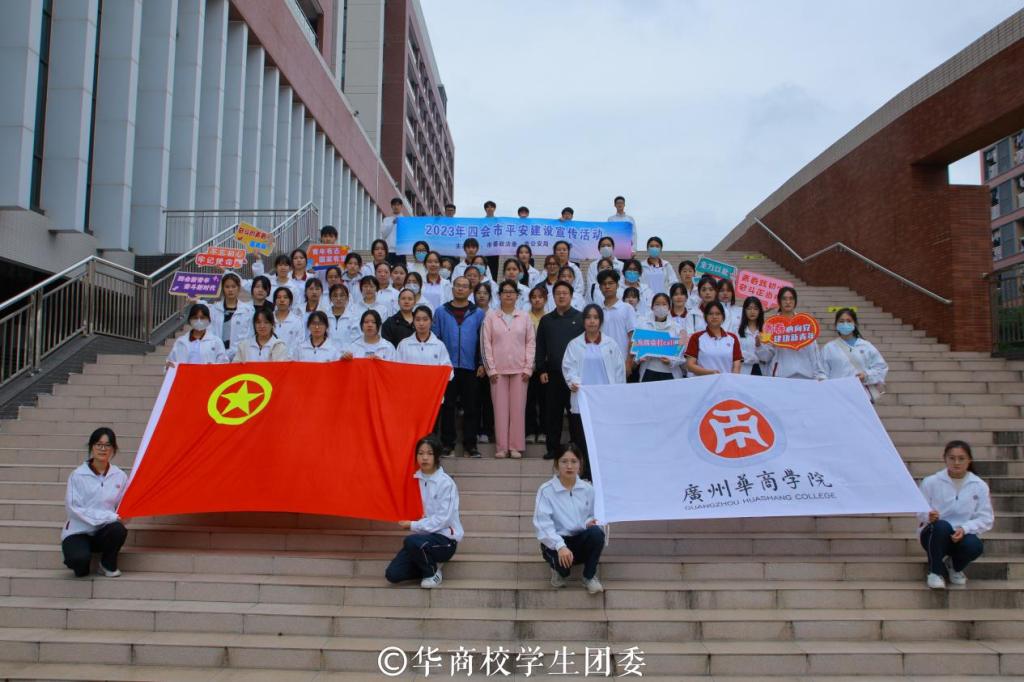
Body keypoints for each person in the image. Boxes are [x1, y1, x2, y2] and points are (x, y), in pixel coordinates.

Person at [385, 436, 463, 589]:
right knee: (393, 574)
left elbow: (443, 520)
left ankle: (432, 572)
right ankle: (428, 563)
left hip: (444, 540)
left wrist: (413, 525)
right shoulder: (413, 480)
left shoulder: (446, 483)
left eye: (429, 453)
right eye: (420, 453)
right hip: (422, 540)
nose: (424, 457)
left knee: (411, 541)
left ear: (437, 456)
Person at [917, 441, 993, 589]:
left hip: (961, 535)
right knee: (941, 526)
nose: (956, 463)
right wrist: (928, 516)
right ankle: (935, 572)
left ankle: (954, 566)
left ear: (969, 460)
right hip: (934, 534)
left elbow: (986, 518)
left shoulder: (979, 485)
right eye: (952, 458)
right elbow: (920, 511)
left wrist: (965, 528)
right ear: (945, 459)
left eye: (961, 458)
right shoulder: (931, 482)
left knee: (975, 546)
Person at [533, 444, 606, 594]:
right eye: (564, 461)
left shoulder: (588, 489)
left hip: (579, 540)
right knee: (564, 570)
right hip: (557, 543)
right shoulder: (546, 490)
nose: (569, 466)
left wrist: (588, 523)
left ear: (580, 464)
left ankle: (589, 577)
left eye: (574, 461)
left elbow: (593, 515)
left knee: (597, 534)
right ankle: (559, 571)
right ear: (556, 464)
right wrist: (560, 546)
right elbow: (542, 523)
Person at [61, 427, 128, 578]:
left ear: (113, 449)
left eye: (107, 445)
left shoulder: (120, 476)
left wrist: (122, 516)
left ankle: (107, 564)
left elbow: (123, 507)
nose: (103, 449)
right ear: (92, 446)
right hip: (79, 531)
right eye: (99, 444)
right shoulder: (78, 475)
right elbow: (74, 508)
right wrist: (109, 516)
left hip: (104, 532)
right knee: (78, 562)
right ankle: (81, 559)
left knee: (118, 529)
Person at [432, 276, 487, 457]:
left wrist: (481, 363)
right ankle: (447, 443)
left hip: (471, 366)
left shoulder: (478, 313)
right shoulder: (441, 311)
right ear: (452, 288)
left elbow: (483, 341)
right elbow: (435, 339)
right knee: (448, 406)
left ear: (470, 290)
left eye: (465, 286)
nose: (461, 289)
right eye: (458, 286)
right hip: (447, 368)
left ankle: (470, 445)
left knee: (471, 407)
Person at [562, 304, 626, 458]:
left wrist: (618, 393)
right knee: (582, 439)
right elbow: (568, 367)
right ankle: (584, 470)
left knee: (604, 438)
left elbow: (619, 371)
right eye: (588, 317)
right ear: (583, 321)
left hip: (605, 400)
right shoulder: (574, 344)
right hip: (583, 399)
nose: (592, 321)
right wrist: (573, 382)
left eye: (596, 318)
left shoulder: (611, 344)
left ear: (601, 321)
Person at [482, 280, 536, 459]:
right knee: (500, 410)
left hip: (520, 371)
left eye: (512, 292)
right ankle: (502, 447)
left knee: (518, 410)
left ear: (517, 295)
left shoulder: (524, 317)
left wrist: (528, 368)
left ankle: (515, 447)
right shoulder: (491, 317)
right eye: (505, 292)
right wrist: (491, 369)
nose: (508, 295)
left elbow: (531, 343)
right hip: (498, 372)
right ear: (499, 295)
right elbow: (485, 344)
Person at [535, 282, 584, 459]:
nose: (561, 296)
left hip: (574, 376)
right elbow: (540, 346)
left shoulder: (580, 318)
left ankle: (577, 449)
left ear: (571, 296)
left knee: (575, 414)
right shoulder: (546, 320)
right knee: (552, 413)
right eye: (558, 293)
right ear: (553, 297)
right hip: (553, 374)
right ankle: (552, 448)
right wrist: (541, 369)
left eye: (565, 293)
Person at [820, 307, 889, 401]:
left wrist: (866, 375)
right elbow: (821, 373)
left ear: (855, 324)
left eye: (849, 321)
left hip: (861, 396)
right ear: (836, 325)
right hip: (837, 397)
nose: (845, 324)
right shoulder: (829, 348)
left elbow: (881, 367)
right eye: (841, 321)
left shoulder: (866, 346)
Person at [766, 287, 824, 379]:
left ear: (795, 301)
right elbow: (765, 357)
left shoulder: (805, 322)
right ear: (779, 301)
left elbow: (813, 351)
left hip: (804, 376)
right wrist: (759, 345)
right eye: (784, 299)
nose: (788, 302)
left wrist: (820, 374)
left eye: (791, 298)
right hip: (780, 377)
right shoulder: (771, 325)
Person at [633, 293, 687, 381]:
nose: (661, 307)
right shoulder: (643, 326)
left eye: (664, 304)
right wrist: (639, 358)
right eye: (657, 304)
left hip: (670, 373)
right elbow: (636, 352)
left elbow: (682, 355)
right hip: (648, 371)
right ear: (652, 307)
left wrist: (671, 361)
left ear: (669, 307)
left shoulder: (678, 328)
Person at [685, 301, 742, 376]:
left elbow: (736, 366)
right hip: (703, 382)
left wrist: (731, 380)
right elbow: (690, 366)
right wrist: (710, 373)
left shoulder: (733, 338)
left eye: (718, 314)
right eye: (710, 314)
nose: (714, 317)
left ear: (723, 317)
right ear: (705, 316)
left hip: (726, 382)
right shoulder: (696, 337)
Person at [596, 270, 635, 374]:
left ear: (617, 285)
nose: (607, 286)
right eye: (604, 284)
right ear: (600, 287)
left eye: (611, 283)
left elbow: (633, 337)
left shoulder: (627, 308)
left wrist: (628, 362)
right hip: (601, 362)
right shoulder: (597, 310)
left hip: (621, 362)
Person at [166, 303, 228, 368]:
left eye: (202, 318)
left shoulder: (216, 341)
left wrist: (213, 367)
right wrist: (168, 366)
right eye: (195, 318)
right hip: (186, 374)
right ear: (189, 320)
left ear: (209, 320)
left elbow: (224, 364)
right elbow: (170, 363)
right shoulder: (181, 342)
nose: (199, 321)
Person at [208, 274, 254, 360]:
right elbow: (211, 332)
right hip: (217, 354)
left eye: (233, 286)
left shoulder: (248, 310)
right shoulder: (214, 309)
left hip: (240, 355)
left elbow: (249, 334)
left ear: (239, 288)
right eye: (227, 287)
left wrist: (238, 351)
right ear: (222, 289)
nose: (230, 290)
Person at [525, 285, 549, 445]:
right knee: (529, 400)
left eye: (540, 297)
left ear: (545, 299)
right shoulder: (524, 317)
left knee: (545, 400)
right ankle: (530, 430)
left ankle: (543, 431)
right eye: (534, 297)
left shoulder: (549, 317)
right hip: (527, 364)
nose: (537, 300)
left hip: (545, 365)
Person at [737, 296, 773, 376]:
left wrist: (759, 346)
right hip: (743, 372)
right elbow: (737, 353)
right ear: (744, 310)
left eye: (756, 309)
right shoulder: (737, 330)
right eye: (749, 308)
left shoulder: (766, 331)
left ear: (760, 311)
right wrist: (756, 359)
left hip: (762, 373)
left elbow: (768, 357)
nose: (752, 311)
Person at [326, 283, 359, 349]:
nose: (338, 298)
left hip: (348, 353)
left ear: (347, 298)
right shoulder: (324, 316)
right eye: (335, 296)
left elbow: (356, 339)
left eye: (342, 295)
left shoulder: (354, 317)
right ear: (330, 298)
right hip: (328, 353)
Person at [271, 287, 304, 353]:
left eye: (285, 297)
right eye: (279, 297)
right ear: (274, 301)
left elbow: (299, 343)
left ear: (290, 301)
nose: (282, 300)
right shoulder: (268, 319)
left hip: (290, 358)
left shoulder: (297, 321)